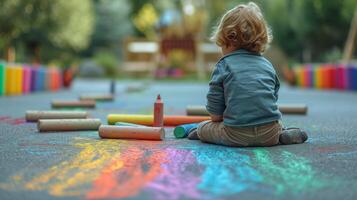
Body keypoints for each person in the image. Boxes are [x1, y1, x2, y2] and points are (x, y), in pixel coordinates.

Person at [188, 2, 308, 146]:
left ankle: (203, 133)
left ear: (228, 40)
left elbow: (215, 114)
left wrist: (217, 120)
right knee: (274, 124)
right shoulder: (267, 65)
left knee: (204, 127)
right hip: (269, 133)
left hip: (236, 134)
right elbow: (271, 97)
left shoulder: (224, 65)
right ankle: (281, 134)